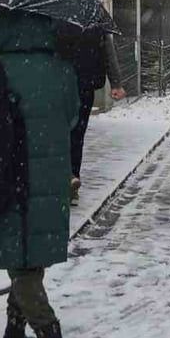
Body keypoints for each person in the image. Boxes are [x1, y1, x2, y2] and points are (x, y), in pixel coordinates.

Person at [0, 11, 79, 338]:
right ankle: (13, 334)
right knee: (31, 257)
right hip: (49, 177)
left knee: (20, 261)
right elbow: (73, 117)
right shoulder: (61, 69)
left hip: (8, 175)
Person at [54, 23, 126, 205]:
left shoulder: (54, 16)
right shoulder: (92, 17)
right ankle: (72, 177)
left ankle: (63, 176)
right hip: (85, 85)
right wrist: (116, 82)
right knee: (77, 133)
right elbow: (108, 52)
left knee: (57, 132)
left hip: (59, 84)